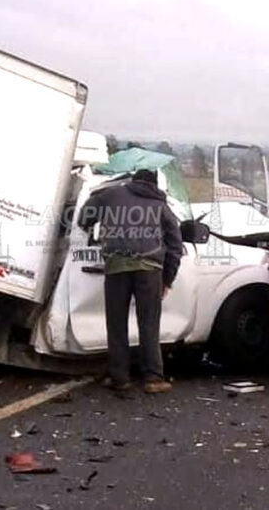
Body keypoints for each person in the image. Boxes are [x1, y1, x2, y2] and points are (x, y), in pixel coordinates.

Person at [77, 169, 183, 395]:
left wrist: (95, 222)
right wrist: (168, 279)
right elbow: (175, 245)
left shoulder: (111, 194)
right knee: (148, 324)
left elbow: (84, 217)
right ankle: (153, 379)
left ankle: (120, 378)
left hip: (116, 267)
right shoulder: (162, 207)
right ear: (155, 186)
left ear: (134, 182)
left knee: (116, 324)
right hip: (149, 270)